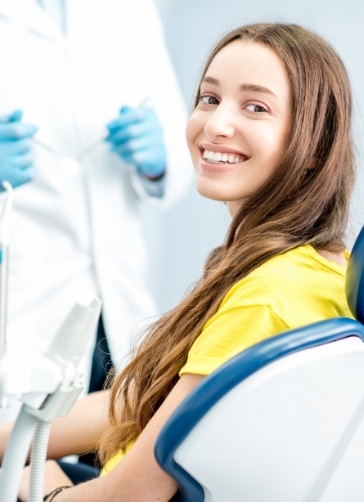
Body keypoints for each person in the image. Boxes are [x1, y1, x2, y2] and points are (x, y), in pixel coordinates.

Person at [14, 21, 355, 501]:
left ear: (314, 147)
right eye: (209, 98)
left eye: (255, 107)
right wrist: (16, 436)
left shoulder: (267, 296)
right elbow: (153, 395)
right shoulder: (318, 265)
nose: (215, 124)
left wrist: (44, 491)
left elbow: (132, 496)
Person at [0, 0, 192, 402]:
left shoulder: (131, 11)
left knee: (113, 442)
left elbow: (182, 146)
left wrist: (159, 159)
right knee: (25, 455)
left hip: (117, 301)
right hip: (21, 304)